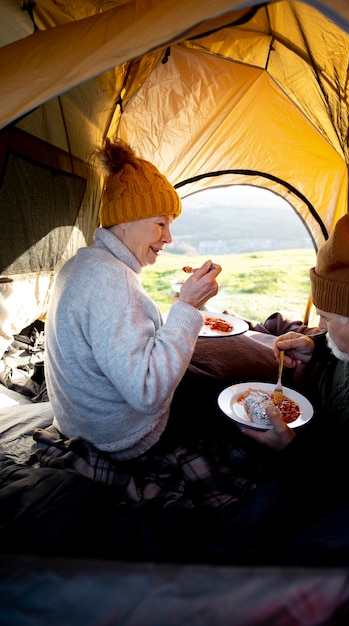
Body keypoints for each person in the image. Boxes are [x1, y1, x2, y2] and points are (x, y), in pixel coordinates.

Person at [236, 213, 349, 542]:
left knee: (257, 523)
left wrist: (289, 447)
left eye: (326, 318)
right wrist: (315, 346)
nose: (320, 323)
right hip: (319, 455)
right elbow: (343, 345)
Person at [40, 138, 221, 461]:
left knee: (195, 371)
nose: (168, 237)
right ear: (125, 219)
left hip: (78, 422)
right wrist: (187, 306)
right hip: (118, 437)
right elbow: (147, 391)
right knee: (217, 391)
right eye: (161, 223)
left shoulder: (82, 263)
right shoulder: (114, 281)